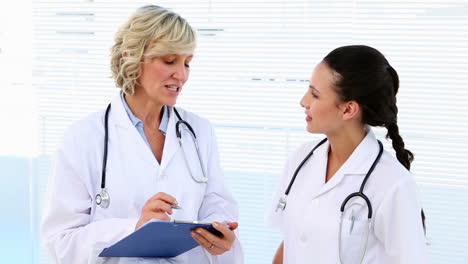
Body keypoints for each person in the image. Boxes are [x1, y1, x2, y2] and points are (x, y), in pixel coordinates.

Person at [41, 5, 243, 264]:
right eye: (169, 61)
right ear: (132, 57)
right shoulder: (82, 138)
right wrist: (133, 228)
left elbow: (218, 207)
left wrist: (221, 238)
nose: (181, 75)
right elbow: (60, 242)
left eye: (187, 63)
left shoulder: (200, 132)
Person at [268, 45, 429, 263]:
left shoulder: (393, 183)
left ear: (348, 109)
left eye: (315, 94)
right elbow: (293, 242)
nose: (303, 102)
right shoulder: (302, 159)